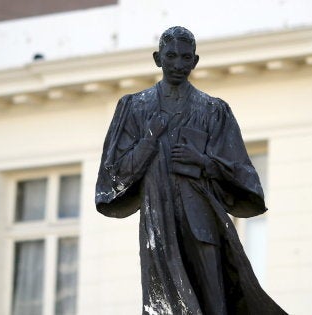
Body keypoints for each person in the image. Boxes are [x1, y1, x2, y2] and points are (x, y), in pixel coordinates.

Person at [95, 26, 287, 315]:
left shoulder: (213, 110)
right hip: (158, 225)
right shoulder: (134, 108)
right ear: (157, 58)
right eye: (171, 56)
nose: (178, 65)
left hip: (203, 224)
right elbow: (115, 176)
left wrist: (204, 162)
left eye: (186, 58)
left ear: (195, 61)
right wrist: (148, 140)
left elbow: (245, 175)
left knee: (214, 303)